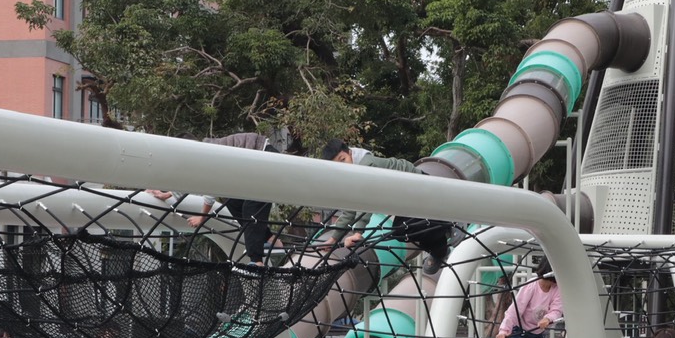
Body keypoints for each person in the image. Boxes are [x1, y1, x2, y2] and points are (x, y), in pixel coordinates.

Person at [148, 130, 295, 263]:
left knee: (251, 207)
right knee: (233, 202)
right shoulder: (202, 155)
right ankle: (271, 240)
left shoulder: (207, 154)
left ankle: (256, 262)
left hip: (265, 157)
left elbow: (210, 191)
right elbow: (198, 183)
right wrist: (169, 194)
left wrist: (202, 217)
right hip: (254, 167)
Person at [317, 138, 453, 269]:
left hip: (418, 185)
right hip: (405, 197)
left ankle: (445, 230)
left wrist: (358, 233)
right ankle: (440, 248)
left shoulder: (366, 166)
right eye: (339, 165)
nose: (344, 166)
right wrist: (334, 238)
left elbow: (366, 200)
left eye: (343, 159)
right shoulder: (352, 173)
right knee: (404, 230)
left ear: (350, 152)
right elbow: (352, 208)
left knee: (405, 228)